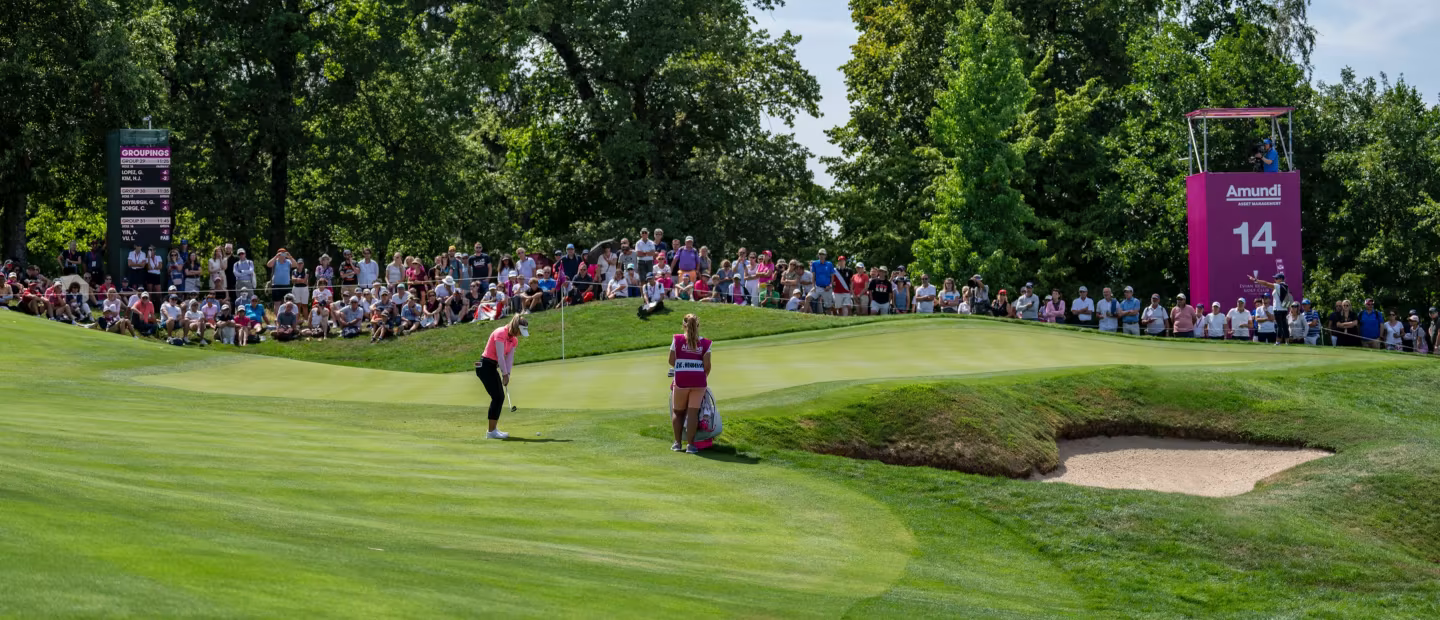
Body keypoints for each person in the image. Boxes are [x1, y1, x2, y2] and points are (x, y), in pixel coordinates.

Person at [475, 314, 528, 439]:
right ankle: (491, 432)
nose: (520, 334)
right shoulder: (500, 333)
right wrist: (504, 374)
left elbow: (509, 359)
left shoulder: (514, 340)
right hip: (484, 366)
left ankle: (492, 430)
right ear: (516, 328)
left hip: (492, 367)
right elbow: (500, 356)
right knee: (498, 396)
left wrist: (508, 374)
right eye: (520, 331)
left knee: (499, 397)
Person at [668, 314, 713, 454]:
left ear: (684, 325)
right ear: (698, 326)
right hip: (698, 381)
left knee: (678, 411)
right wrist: (703, 377)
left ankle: (677, 444)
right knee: (693, 412)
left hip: (681, 380)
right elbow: (707, 365)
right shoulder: (705, 343)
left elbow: (671, 360)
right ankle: (691, 446)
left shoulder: (677, 339)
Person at [267, 248, 295, 313]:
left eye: (284, 253)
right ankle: (277, 319)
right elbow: (269, 264)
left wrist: (290, 257)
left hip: (286, 285)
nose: (282, 254)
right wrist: (276, 257)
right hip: (276, 285)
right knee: (277, 303)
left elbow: (295, 265)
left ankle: (286, 317)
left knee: (288, 302)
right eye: (281, 253)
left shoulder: (288, 261)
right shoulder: (275, 261)